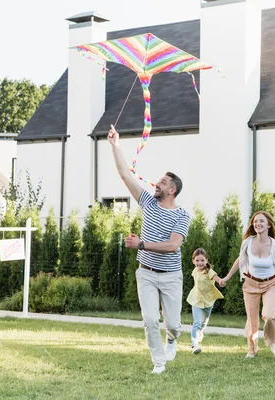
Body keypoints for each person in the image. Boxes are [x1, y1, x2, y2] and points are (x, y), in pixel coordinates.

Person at [108, 124, 191, 375]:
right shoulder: (148, 203)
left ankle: (172, 338)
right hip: (145, 272)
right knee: (150, 320)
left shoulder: (182, 214)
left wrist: (141, 244)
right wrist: (115, 146)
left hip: (170, 277)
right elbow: (125, 175)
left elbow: (173, 245)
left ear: (171, 190)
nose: (157, 183)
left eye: (162, 182)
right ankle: (159, 362)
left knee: (173, 324)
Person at [220, 211, 275, 359]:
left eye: (261, 221)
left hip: (271, 284)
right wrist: (227, 277)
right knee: (252, 320)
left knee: (268, 315)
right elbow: (240, 260)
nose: (258, 224)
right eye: (255, 222)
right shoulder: (248, 242)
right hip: (250, 284)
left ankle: (272, 343)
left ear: (268, 224)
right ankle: (252, 350)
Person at [186, 248, 224, 354]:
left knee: (203, 322)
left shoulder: (209, 272)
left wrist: (220, 281)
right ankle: (194, 344)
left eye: (202, 260)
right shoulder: (195, 271)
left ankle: (201, 331)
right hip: (196, 299)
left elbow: (216, 278)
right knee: (197, 322)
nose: (200, 263)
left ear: (206, 260)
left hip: (208, 300)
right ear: (193, 261)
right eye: (197, 260)